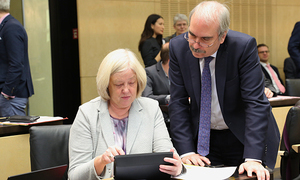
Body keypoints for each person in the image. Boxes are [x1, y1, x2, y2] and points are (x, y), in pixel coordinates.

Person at [168, 1, 280, 180]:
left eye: (205, 39)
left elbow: (255, 103)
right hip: (203, 139)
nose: (195, 45)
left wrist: (253, 158)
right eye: (192, 35)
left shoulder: (242, 47)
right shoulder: (178, 47)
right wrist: (186, 151)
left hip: (243, 136)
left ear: (222, 36)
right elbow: (178, 102)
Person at [68, 49, 183, 180]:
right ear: (107, 86)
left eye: (131, 83)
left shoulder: (151, 108)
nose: (126, 90)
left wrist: (177, 166)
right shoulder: (87, 114)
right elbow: (74, 176)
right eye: (119, 84)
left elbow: (168, 154)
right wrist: (100, 162)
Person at [0, 0, 34, 117]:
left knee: (13, 133)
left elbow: (16, 64)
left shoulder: (11, 27)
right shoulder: (6, 26)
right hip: (8, 97)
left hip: (10, 98)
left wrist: (6, 93)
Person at [142, 43, 170, 126]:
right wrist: (168, 98)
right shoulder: (149, 72)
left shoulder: (182, 72)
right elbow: (147, 97)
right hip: (158, 121)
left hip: (179, 120)